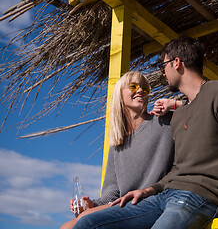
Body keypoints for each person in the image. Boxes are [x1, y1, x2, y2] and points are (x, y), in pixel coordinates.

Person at [74, 36, 218, 229]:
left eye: (163, 66)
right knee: (87, 224)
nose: (162, 73)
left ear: (177, 63)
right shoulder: (180, 114)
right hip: (163, 196)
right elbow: (177, 169)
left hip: (201, 196)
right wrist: (147, 190)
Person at [60, 71, 174, 229]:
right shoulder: (118, 141)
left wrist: (175, 104)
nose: (140, 90)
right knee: (66, 226)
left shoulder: (164, 122)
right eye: (133, 86)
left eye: (145, 88)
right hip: (123, 205)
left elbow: (196, 112)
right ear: (120, 95)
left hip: (153, 201)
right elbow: (112, 191)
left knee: (85, 221)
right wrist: (92, 204)